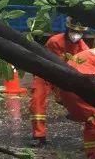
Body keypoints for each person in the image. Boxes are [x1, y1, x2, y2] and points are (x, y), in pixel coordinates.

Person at [30, 17, 89, 145]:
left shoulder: (84, 49)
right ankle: (39, 135)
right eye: (73, 31)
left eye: (79, 33)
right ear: (68, 29)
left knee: (78, 101)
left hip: (65, 78)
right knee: (37, 99)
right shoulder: (54, 41)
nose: (75, 35)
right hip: (45, 73)